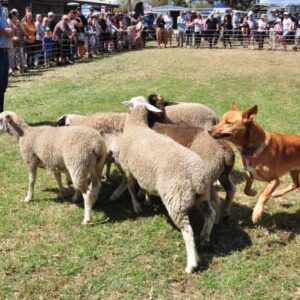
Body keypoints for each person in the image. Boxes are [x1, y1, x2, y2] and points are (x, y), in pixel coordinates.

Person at [0, 0, 14, 112]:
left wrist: (11, 32)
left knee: (3, 86)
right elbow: (4, 30)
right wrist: (5, 31)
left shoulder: (2, 10)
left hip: (4, 51)